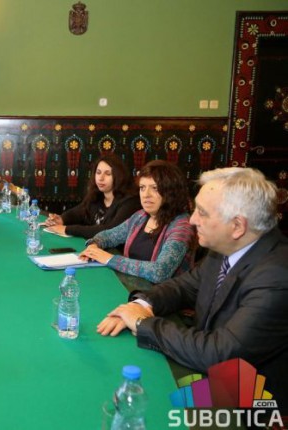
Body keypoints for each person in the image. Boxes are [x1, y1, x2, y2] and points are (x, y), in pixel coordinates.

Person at [97, 167, 288, 414]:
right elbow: (184, 286)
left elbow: (220, 354)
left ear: (237, 226)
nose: (192, 220)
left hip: (248, 404)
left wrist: (144, 324)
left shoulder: (277, 276)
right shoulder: (226, 247)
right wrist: (141, 304)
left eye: (202, 212)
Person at [79, 160, 195, 283]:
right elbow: (109, 235)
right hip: (131, 287)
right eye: (142, 188)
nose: (146, 194)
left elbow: (160, 272)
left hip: (161, 294)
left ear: (171, 192)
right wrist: (94, 245)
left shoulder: (182, 225)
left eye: (155, 188)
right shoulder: (140, 216)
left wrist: (110, 259)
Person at [44, 154, 140, 238]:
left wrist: (67, 229)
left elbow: (110, 231)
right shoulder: (97, 196)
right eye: (98, 172)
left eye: (108, 174)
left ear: (119, 176)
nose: (101, 178)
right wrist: (62, 219)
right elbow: (78, 212)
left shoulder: (130, 201)